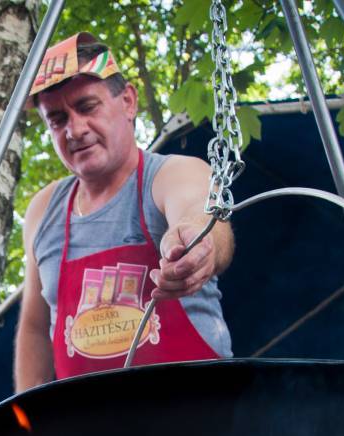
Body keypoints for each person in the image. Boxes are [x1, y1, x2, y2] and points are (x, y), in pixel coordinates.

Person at [14, 33, 235, 391]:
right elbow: (35, 327)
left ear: (128, 101)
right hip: (88, 431)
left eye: (87, 107)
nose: (75, 130)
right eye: (57, 119)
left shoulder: (173, 173)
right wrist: (26, 423)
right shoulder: (44, 208)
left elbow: (204, 219)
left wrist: (197, 244)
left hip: (200, 414)